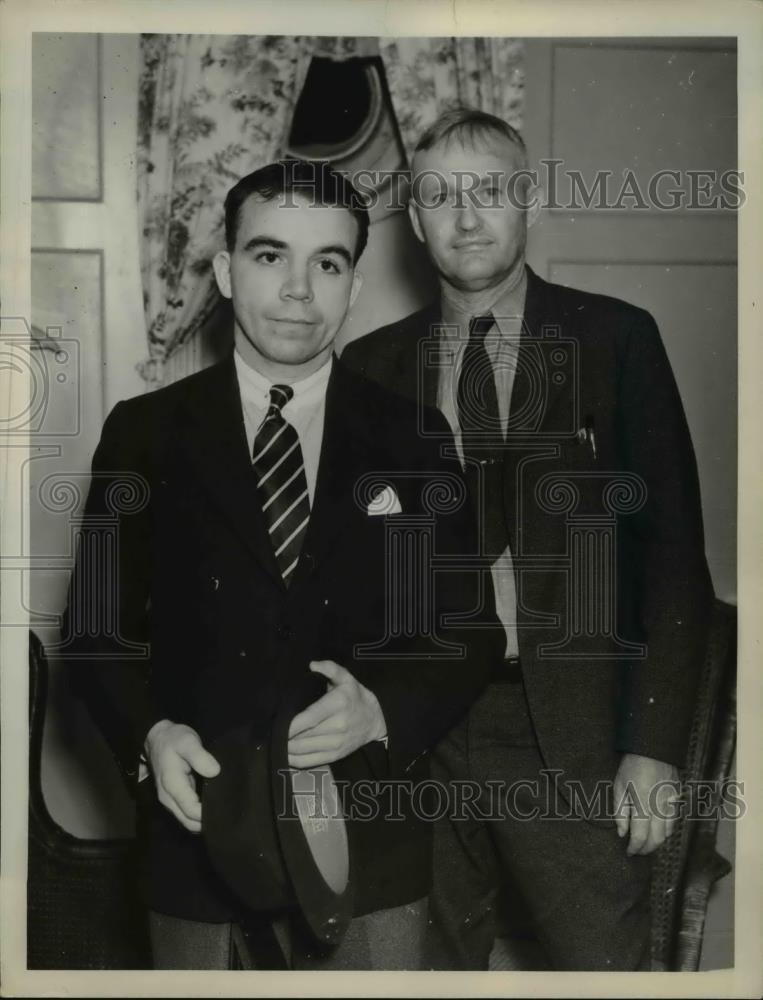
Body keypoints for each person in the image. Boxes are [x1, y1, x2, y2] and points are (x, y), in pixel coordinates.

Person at [62, 159, 502, 970]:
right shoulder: (145, 433)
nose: (300, 289)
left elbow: (469, 632)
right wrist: (150, 734)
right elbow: (94, 632)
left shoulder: (415, 440)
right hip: (195, 837)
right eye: (270, 256)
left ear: (354, 287)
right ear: (227, 272)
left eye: (327, 263)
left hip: (368, 842)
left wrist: (381, 711)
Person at [341, 108, 714, 970]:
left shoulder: (614, 340)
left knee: (601, 969)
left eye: (490, 191)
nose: (465, 217)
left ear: (530, 201)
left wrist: (652, 748)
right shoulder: (369, 368)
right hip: (417, 736)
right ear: (415, 219)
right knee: (417, 970)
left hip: (568, 734)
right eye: (439, 195)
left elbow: (671, 559)